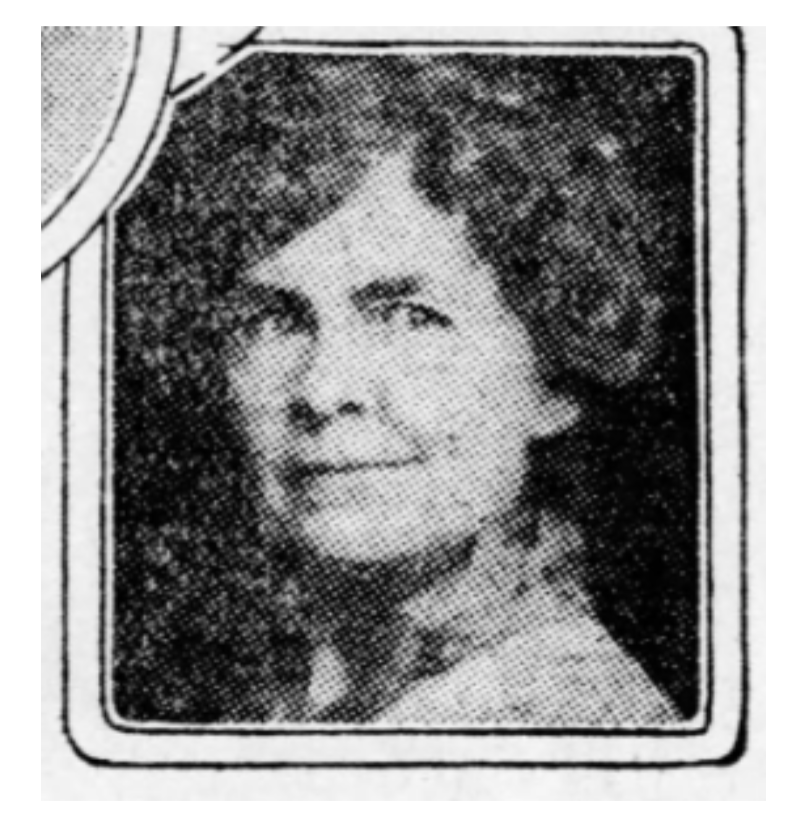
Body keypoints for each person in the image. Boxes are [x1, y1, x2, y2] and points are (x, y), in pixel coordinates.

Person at [113, 53, 694, 726]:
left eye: (410, 317)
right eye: (273, 318)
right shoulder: (284, 694)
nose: (323, 389)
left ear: (553, 377)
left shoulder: (559, 715)